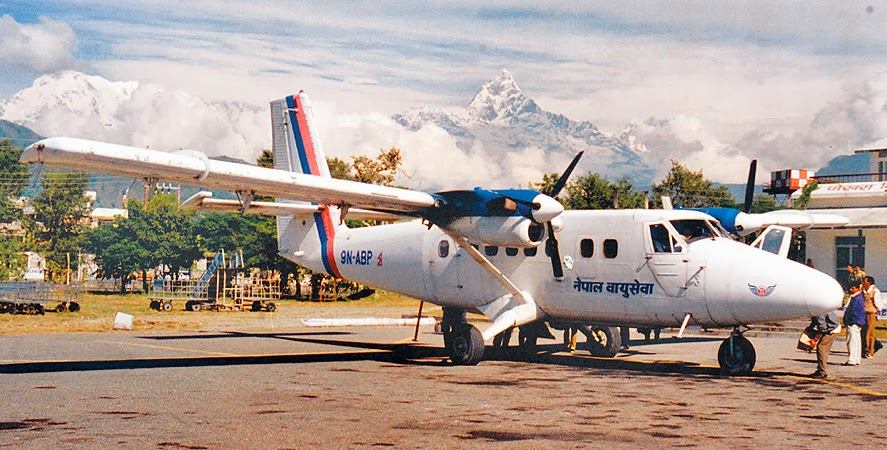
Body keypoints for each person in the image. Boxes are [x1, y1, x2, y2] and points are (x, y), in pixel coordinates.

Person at [809, 311, 840, 379]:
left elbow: (821, 324)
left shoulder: (816, 309)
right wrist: (810, 327)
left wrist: (817, 335)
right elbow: (816, 320)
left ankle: (822, 372)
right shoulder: (817, 307)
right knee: (824, 350)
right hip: (832, 327)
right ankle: (820, 369)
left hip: (831, 329)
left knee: (821, 348)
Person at [843, 285, 866, 366]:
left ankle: (852, 359)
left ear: (857, 288)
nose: (850, 289)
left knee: (851, 341)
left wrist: (850, 321)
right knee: (856, 341)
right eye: (850, 287)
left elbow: (854, 311)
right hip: (856, 322)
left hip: (853, 322)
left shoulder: (857, 298)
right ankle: (856, 359)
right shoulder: (856, 297)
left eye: (853, 288)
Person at [862, 276, 883, 358]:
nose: (863, 283)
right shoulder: (863, 291)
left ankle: (871, 350)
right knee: (863, 332)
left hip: (871, 313)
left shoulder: (874, 291)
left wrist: (877, 312)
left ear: (869, 283)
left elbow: (878, 303)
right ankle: (865, 349)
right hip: (864, 313)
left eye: (864, 281)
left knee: (870, 333)